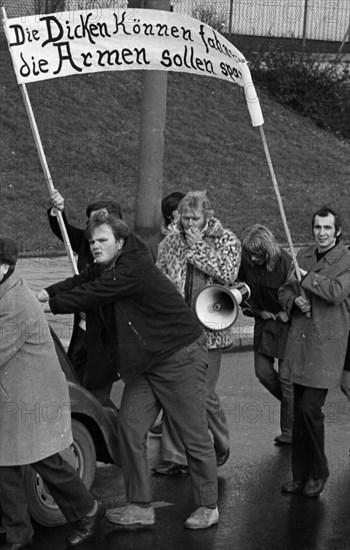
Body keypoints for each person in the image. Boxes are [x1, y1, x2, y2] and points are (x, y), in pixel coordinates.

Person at [37, 212, 219, 530]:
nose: (95, 245)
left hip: (179, 356)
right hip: (146, 362)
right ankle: (140, 507)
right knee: (130, 428)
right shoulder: (107, 266)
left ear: (119, 242)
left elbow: (95, 293)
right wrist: (43, 293)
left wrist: (49, 307)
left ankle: (208, 505)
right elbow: (82, 281)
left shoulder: (133, 266)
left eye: (102, 240)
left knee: (193, 435)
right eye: (92, 241)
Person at [0, 237, 105, 550]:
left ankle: (89, 511)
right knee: (6, 466)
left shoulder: (14, 302)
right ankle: (18, 534)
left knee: (47, 463)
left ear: (2, 266)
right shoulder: (4, 291)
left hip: (32, 398)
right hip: (15, 395)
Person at [154, 190, 241, 474]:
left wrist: (199, 247)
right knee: (174, 389)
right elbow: (159, 275)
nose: (188, 223)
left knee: (203, 392)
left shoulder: (226, 239)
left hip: (211, 329)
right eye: (185, 217)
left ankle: (220, 444)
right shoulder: (170, 241)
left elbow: (227, 274)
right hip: (177, 329)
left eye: (194, 218)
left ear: (207, 216)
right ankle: (175, 456)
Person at [278, 206, 350, 498]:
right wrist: (294, 300)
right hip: (300, 342)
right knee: (299, 411)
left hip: (327, 344)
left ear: (338, 231)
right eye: (317, 228)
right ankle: (300, 475)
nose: (321, 233)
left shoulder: (346, 258)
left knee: (310, 409)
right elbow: (283, 290)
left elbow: (335, 292)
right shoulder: (302, 254)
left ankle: (319, 472)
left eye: (327, 228)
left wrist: (305, 278)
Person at [48, 188, 123, 405]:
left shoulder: (126, 255)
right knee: (74, 375)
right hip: (83, 323)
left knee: (95, 387)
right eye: (89, 223)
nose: (93, 238)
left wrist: (50, 304)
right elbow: (63, 231)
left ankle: (103, 425)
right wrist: (58, 211)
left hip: (104, 330)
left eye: (97, 221)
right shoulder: (86, 240)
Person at [238, 224, 293, 445]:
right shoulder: (246, 261)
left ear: (267, 251)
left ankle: (289, 431)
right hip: (264, 320)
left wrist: (287, 312)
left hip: (288, 323)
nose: (251, 259)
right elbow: (240, 289)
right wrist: (257, 310)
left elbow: (300, 293)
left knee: (288, 380)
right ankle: (297, 408)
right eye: (248, 253)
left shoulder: (286, 262)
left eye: (256, 254)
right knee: (263, 373)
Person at [147, 191, 185, 262]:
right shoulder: (154, 244)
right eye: (180, 211)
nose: (186, 214)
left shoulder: (198, 238)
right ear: (168, 215)